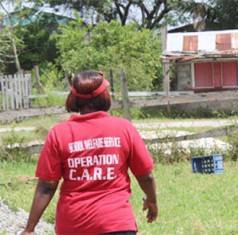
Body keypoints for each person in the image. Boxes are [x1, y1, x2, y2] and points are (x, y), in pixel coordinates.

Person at [21, 71, 157, 235]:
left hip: (74, 225)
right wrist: (152, 201)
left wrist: (29, 229)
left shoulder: (59, 133)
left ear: (75, 98)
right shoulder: (123, 128)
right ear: (104, 96)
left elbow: (47, 187)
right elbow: (146, 176)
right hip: (117, 223)